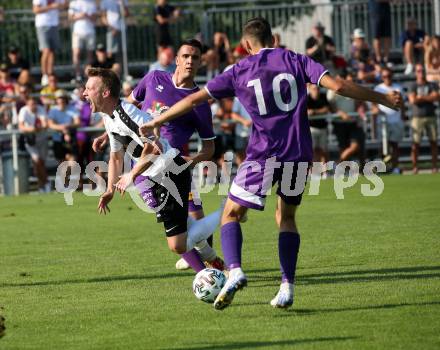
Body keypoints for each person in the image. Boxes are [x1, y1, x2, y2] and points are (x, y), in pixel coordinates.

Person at [139, 17, 402, 310]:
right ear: (274, 39)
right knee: (286, 218)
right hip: (299, 153)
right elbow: (339, 85)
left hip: (264, 153)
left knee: (231, 214)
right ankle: (287, 286)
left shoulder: (240, 69)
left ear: (246, 46)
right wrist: (383, 97)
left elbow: (194, 100)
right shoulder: (296, 59)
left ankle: (235, 269)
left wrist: (158, 120)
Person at [95, 39, 223, 270]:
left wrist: (192, 161)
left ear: (201, 62)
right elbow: (123, 109)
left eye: (195, 57)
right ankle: (208, 265)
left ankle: (210, 265)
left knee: (195, 217)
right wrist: (107, 135)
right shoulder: (154, 78)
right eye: (185, 56)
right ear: (176, 60)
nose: (190, 61)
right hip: (144, 166)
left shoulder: (200, 103)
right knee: (173, 224)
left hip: (175, 165)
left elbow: (209, 149)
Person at [372, 67, 406, 174]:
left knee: (395, 145)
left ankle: (395, 167)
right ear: (382, 77)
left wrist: (403, 117)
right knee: (382, 146)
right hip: (382, 122)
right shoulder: (378, 88)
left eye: (389, 76)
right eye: (384, 76)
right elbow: (373, 105)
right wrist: (377, 111)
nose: (387, 78)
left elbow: (403, 105)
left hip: (396, 121)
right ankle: (382, 168)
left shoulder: (398, 88)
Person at [408, 64, 439, 174]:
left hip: (431, 116)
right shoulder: (413, 85)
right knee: (415, 144)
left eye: (422, 71)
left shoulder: (432, 84)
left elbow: (436, 97)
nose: (421, 73)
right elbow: (413, 100)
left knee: (434, 142)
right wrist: (428, 98)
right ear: (416, 72)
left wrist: (421, 97)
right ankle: (415, 167)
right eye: (418, 71)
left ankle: (434, 167)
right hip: (417, 117)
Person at [18, 96, 51, 192]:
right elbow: (21, 126)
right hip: (30, 141)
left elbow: (45, 124)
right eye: (31, 104)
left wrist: (38, 128)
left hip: (42, 139)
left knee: (40, 164)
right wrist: (32, 129)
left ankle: (41, 186)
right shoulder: (23, 111)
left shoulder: (41, 109)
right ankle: (47, 183)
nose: (33, 106)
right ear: (27, 104)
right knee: (37, 161)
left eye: (34, 104)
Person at [32, 0, 67, 86]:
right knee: (46, 50)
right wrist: (51, 7)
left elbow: (64, 5)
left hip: (54, 24)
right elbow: (35, 10)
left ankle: (50, 74)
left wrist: (60, 5)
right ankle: (44, 75)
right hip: (42, 25)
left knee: (52, 51)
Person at [47, 89, 80, 164]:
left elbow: (78, 122)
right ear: (56, 100)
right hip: (58, 139)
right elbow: (50, 124)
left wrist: (66, 126)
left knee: (72, 163)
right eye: (59, 98)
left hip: (70, 138)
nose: (61, 100)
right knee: (62, 165)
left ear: (66, 99)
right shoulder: (53, 110)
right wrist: (64, 128)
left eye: (62, 98)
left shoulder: (73, 109)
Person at [68, 0, 98, 81]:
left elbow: (95, 18)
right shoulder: (74, 3)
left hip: (90, 31)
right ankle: (77, 74)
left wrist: (88, 16)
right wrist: (80, 16)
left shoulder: (92, 3)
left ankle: (87, 74)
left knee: (90, 54)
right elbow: (70, 17)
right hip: (77, 32)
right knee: (76, 53)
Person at [307, 83, 330, 168]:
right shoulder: (307, 98)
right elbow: (306, 111)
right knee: (313, 151)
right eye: (314, 89)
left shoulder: (323, 97)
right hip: (311, 128)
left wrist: (315, 112)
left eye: (317, 89)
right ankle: (314, 171)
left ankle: (325, 172)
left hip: (323, 128)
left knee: (324, 150)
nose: (316, 91)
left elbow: (326, 109)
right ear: (309, 89)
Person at [369, 0, 392, 65]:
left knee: (387, 36)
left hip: (386, 11)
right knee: (376, 36)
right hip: (376, 11)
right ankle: (378, 59)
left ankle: (386, 59)